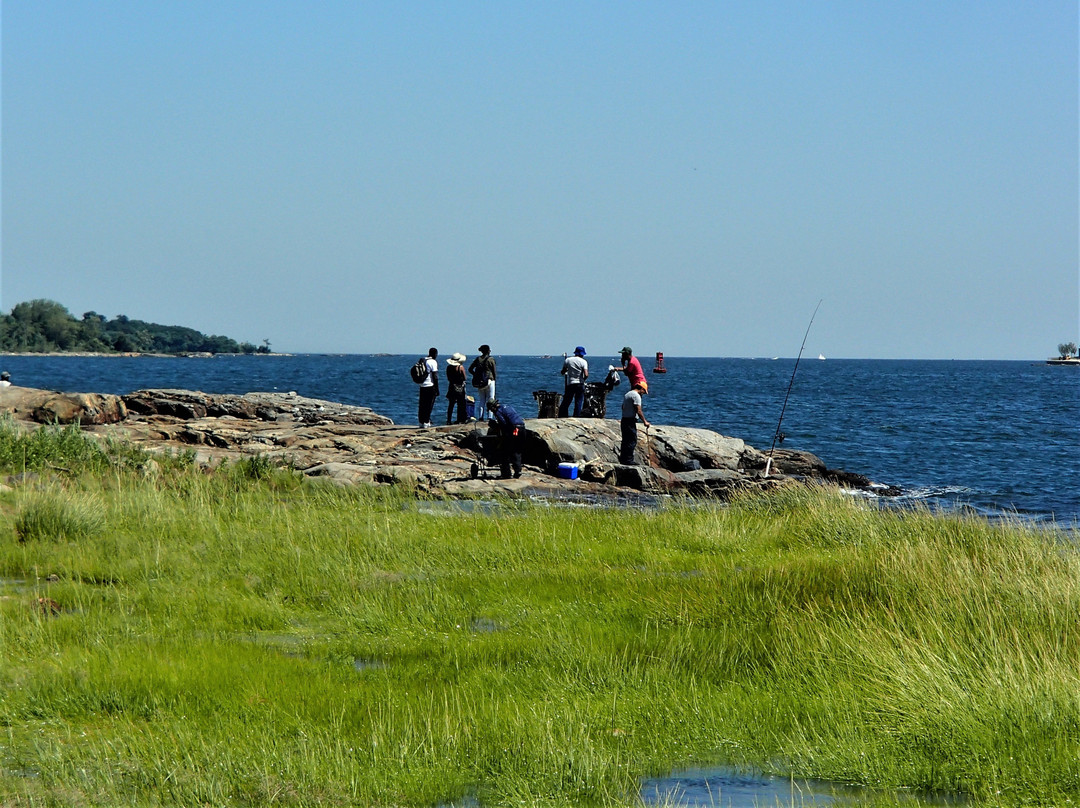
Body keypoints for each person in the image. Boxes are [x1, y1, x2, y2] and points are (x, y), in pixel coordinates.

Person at [487, 398, 525, 479]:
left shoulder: (498, 411)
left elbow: (504, 424)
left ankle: (506, 473)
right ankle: (518, 470)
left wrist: (495, 425)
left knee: (505, 450)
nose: (492, 412)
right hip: (522, 428)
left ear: (493, 407)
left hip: (514, 430)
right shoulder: (508, 406)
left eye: (491, 410)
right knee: (517, 450)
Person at [619, 383, 650, 465]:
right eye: (644, 391)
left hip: (624, 419)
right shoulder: (636, 396)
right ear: (641, 389)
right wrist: (645, 421)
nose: (643, 393)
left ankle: (623, 459)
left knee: (625, 440)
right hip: (630, 420)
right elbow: (638, 410)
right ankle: (629, 460)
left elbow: (623, 406)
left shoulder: (628, 394)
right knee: (632, 440)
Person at [558, 346, 589, 418]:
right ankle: (577, 416)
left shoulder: (568, 360)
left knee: (567, 400)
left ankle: (563, 415)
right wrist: (583, 379)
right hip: (580, 383)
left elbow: (563, 371)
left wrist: (566, 372)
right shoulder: (583, 362)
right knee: (578, 402)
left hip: (570, 383)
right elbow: (586, 374)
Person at [469, 345, 497, 418]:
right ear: (488, 351)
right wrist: (494, 379)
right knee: (491, 398)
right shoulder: (491, 359)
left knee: (482, 400)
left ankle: (480, 417)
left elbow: (470, 369)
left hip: (480, 382)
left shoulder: (478, 359)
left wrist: (475, 375)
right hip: (489, 380)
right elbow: (494, 371)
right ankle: (490, 417)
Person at [417, 347, 439, 427]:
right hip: (430, 385)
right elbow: (435, 376)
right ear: (435, 354)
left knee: (422, 404)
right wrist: (437, 389)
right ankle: (426, 422)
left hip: (422, 385)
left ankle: (421, 422)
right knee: (429, 404)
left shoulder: (422, 360)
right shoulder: (433, 362)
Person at [444, 352, 468, 424]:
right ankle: (460, 419)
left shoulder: (449, 368)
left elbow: (448, 378)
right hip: (460, 387)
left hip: (451, 386)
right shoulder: (460, 367)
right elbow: (464, 377)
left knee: (451, 404)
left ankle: (449, 420)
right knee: (461, 404)